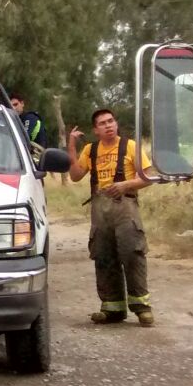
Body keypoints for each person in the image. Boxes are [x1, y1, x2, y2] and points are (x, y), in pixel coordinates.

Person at [68, 108, 157, 327]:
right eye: (102, 123)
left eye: (111, 121)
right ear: (95, 130)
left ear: (116, 124)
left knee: (132, 253)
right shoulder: (91, 150)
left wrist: (126, 184)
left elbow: (148, 177)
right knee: (103, 256)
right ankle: (112, 308)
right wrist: (71, 145)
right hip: (100, 209)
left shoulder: (131, 147)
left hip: (125, 206)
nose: (108, 125)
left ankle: (142, 308)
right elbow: (76, 175)